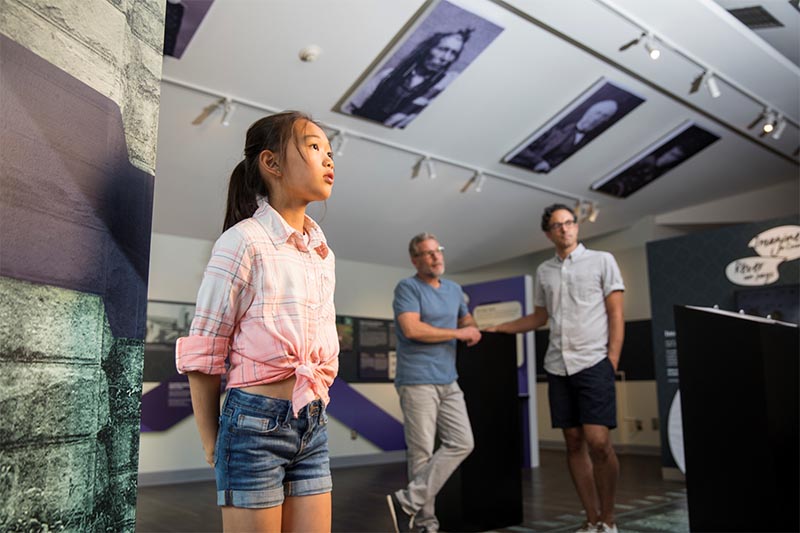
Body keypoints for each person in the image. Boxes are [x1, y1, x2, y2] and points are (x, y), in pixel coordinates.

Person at [175, 111, 339, 533]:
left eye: (329, 150)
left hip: (312, 421)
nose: (328, 158)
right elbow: (205, 349)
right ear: (272, 163)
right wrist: (212, 441)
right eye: (314, 146)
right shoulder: (243, 241)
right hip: (252, 427)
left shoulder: (322, 253)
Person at [487, 204, 625, 533]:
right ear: (548, 233)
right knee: (574, 442)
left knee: (599, 442)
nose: (564, 229)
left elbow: (616, 314)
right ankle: (591, 520)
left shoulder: (602, 261)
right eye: (557, 225)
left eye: (569, 223)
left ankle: (609, 519)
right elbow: (539, 317)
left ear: (576, 227)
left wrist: (612, 361)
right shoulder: (544, 271)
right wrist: (499, 328)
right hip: (558, 367)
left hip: (594, 363)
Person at [387, 233, 482, 533]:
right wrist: (458, 334)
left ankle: (407, 502)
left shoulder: (454, 290)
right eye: (427, 253)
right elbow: (412, 329)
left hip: (448, 379)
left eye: (438, 251)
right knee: (422, 452)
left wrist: (470, 327)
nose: (435, 257)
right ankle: (426, 524)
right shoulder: (408, 287)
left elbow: (466, 320)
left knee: (463, 441)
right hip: (417, 380)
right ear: (415, 260)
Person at [344, 29, 472, 129]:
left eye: (453, 53)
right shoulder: (388, 76)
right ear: (428, 49)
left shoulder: (440, 87)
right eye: (443, 49)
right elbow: (350, 107)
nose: (445, 57)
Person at [513, 99, 619, 173]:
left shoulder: (589, 144)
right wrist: (538, 161)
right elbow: (521, 148)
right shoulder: (556, 127)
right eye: (598, 113)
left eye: (604, 116)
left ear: (606, 121)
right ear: (589, 111)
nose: (597, 118)